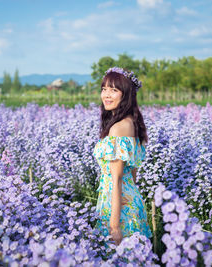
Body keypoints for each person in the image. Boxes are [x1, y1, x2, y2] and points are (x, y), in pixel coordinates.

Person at [93, 66, 153, 247]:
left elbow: (116, 179)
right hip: (128, 201)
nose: (106, 95)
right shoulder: (130, 123)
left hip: (118, 210)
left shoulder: (118, 128)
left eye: (114, 90)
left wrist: (114, 226)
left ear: (125, 95)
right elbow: (132, 175)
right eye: (104, 89)